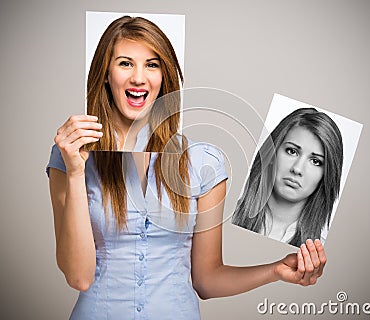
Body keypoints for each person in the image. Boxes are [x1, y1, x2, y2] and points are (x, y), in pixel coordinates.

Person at [47, 16, 327, 320]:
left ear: (164, 78)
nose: (139, 78)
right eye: (125, 63)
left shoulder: (203, 163)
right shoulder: (70, 157)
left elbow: (207, 280)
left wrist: (275, 270)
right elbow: (79, 278)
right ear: (105, 74)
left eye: (152, 65)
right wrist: (75, 172)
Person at [232, 108, 343, 247]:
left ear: (327, 175)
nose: (297, 169)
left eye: (315, 161)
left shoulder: (322, 251)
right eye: (292, 151)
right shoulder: (224, 216)